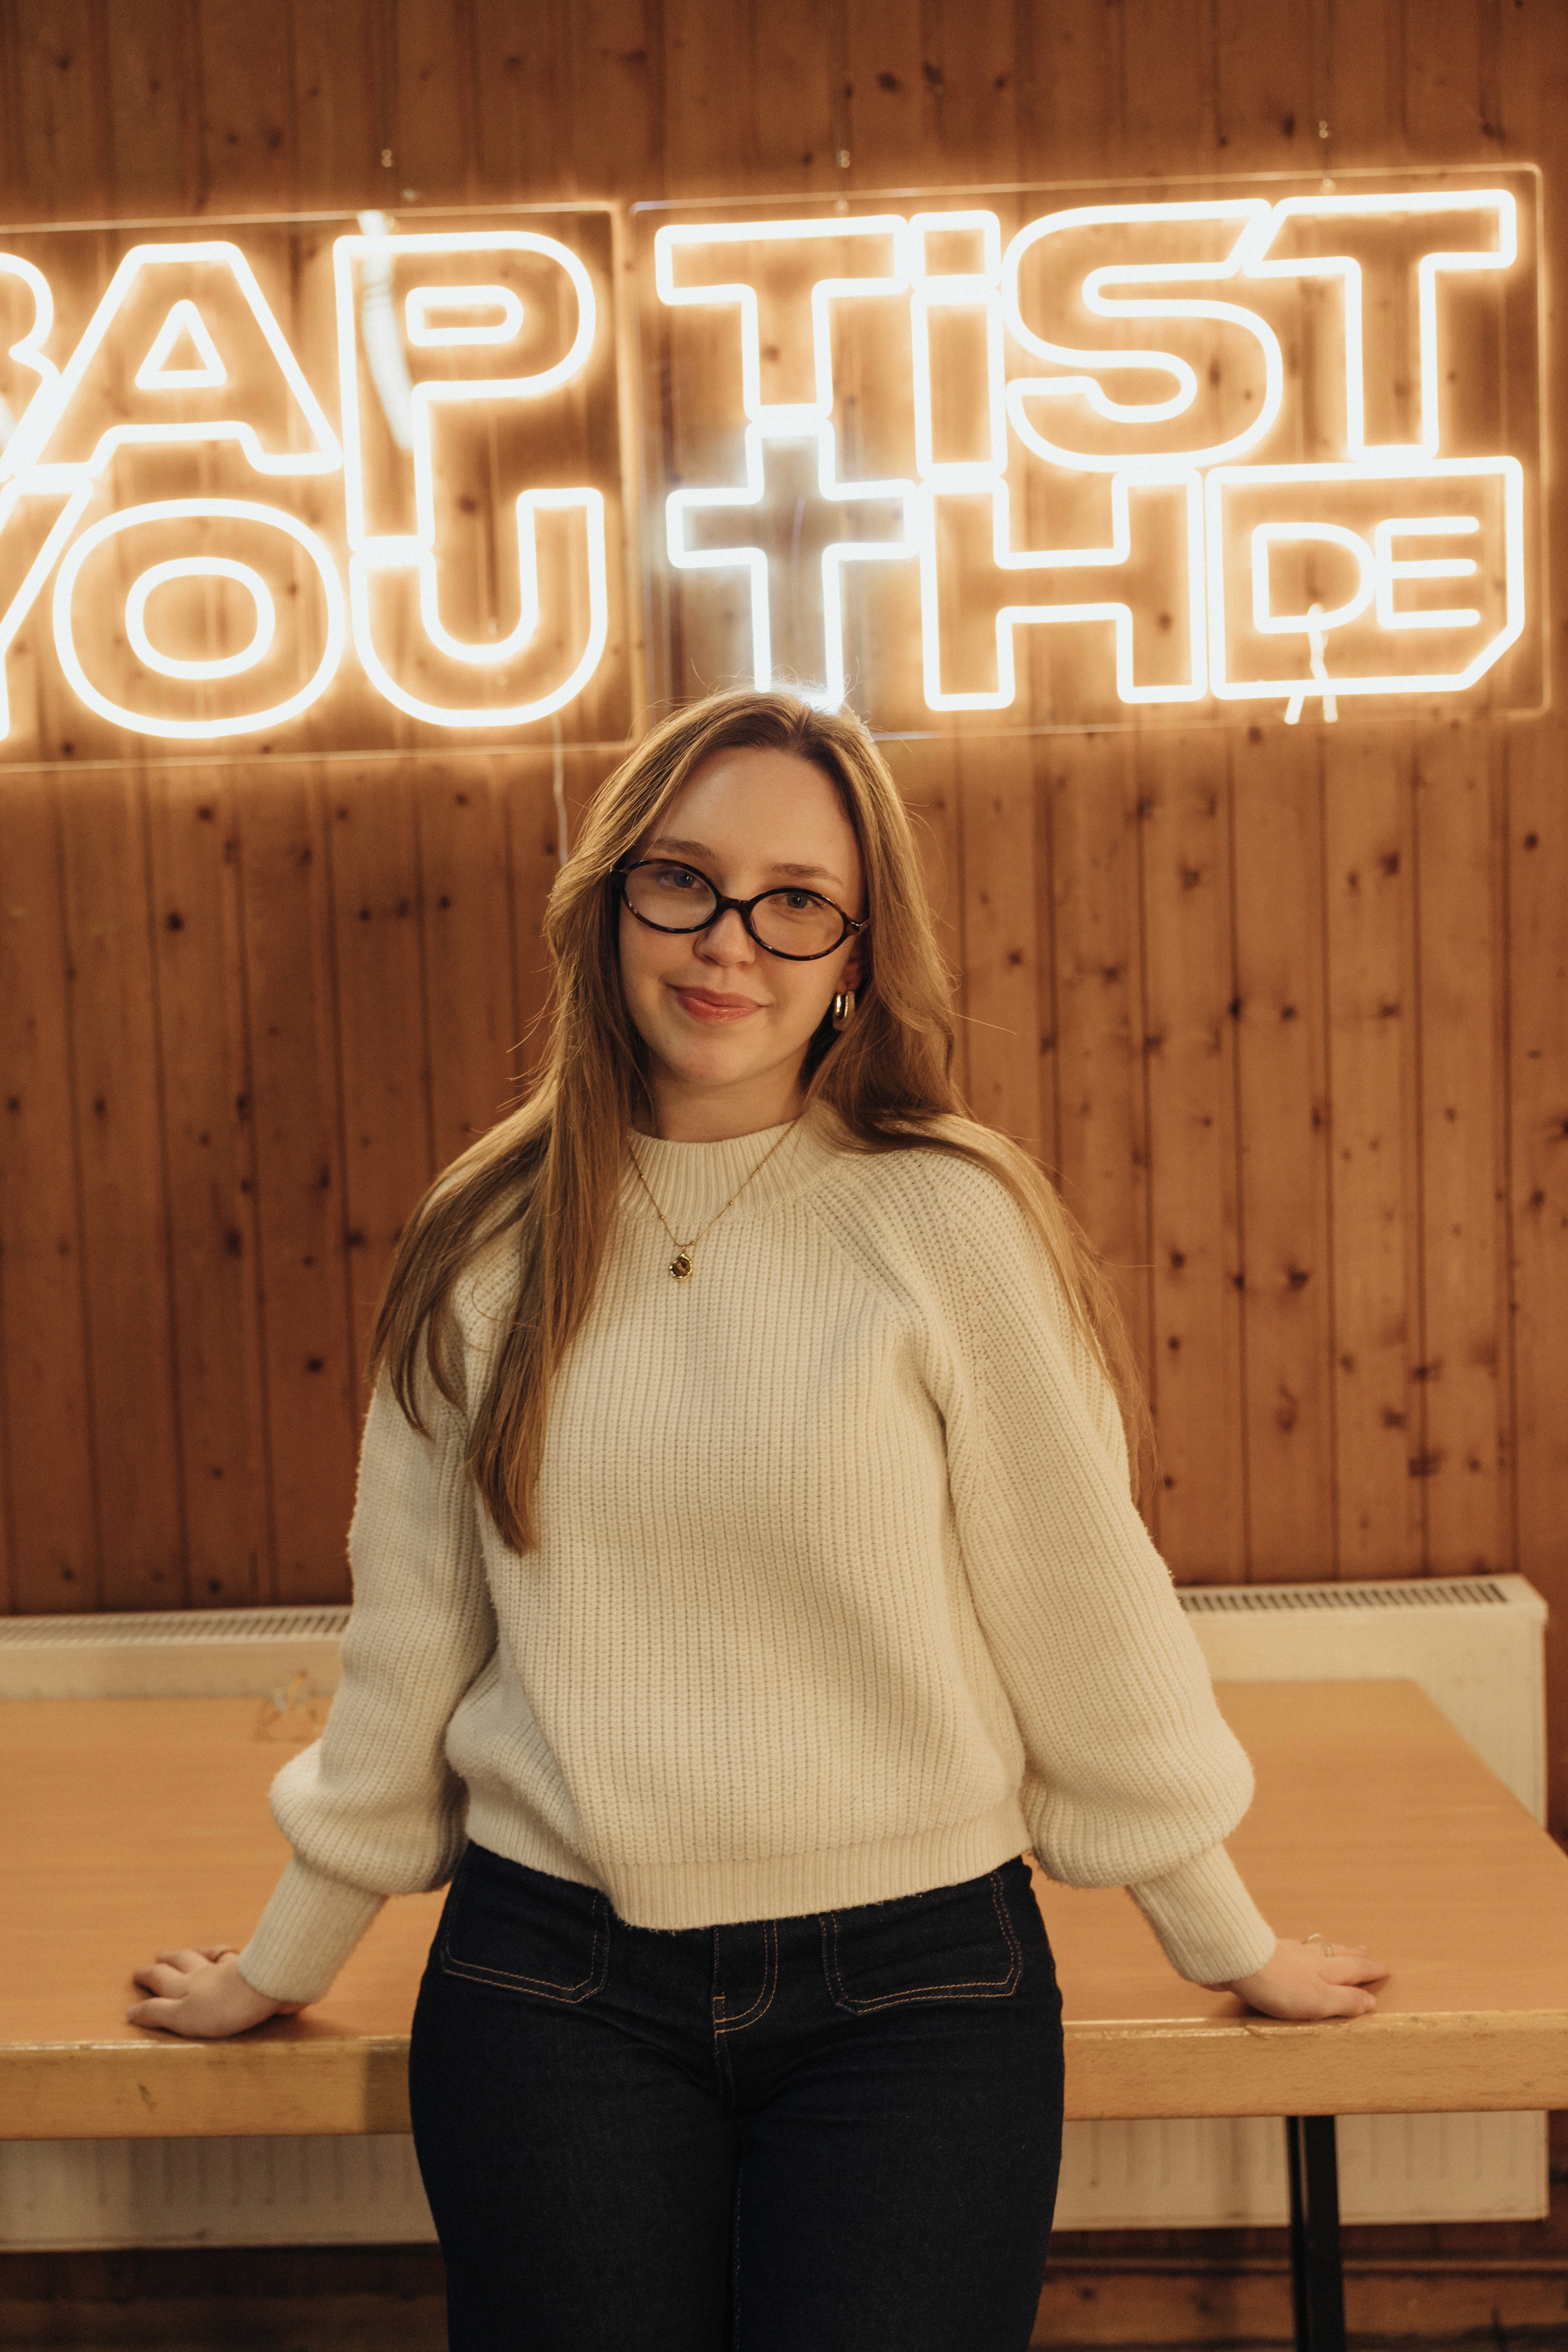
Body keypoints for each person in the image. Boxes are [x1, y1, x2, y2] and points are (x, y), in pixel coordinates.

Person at [128, 690, 1385, 2352]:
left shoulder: (949, 1218)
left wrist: (1224, 1938)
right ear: (610, 904)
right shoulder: (486, 1238)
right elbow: (410, 1650)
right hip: (552, 1990)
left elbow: (1085, 1613)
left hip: (920, 1995)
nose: (732, 942)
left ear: (858, 953)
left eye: (797, 901)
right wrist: (282, 1960)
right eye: (685, 881)